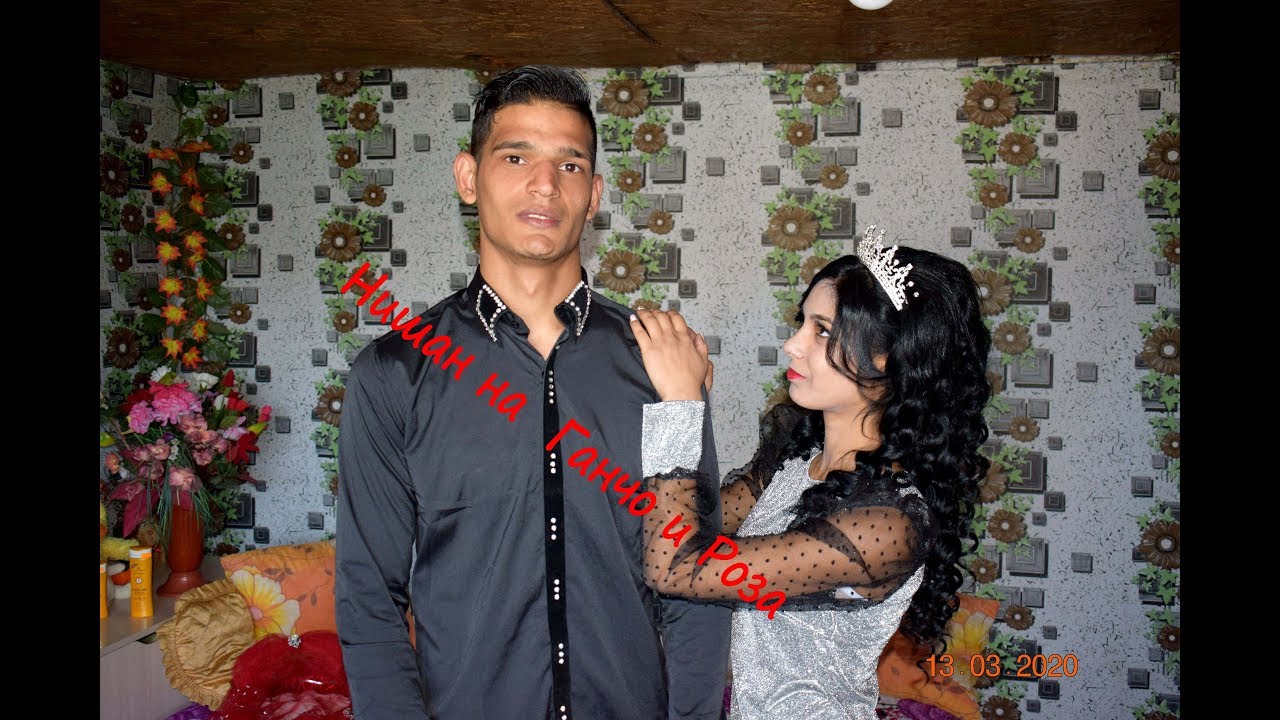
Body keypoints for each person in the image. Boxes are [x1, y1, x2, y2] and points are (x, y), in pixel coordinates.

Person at [335, 66, 730, 720]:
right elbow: (369, 597)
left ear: (594, 194)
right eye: (515, 157)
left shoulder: (663, 365)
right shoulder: (393, 374)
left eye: (570, 165)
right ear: (469, 178)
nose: (545, 183)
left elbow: (696, 582)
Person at [630, 227, 992, 720]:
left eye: (821, 331)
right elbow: (676, 525)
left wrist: (679, 407)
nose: (792, 345)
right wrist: (681, 403)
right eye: (802, 323)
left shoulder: (888, 523)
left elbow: (675, 567)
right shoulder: (796, 462)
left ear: (889, 359)